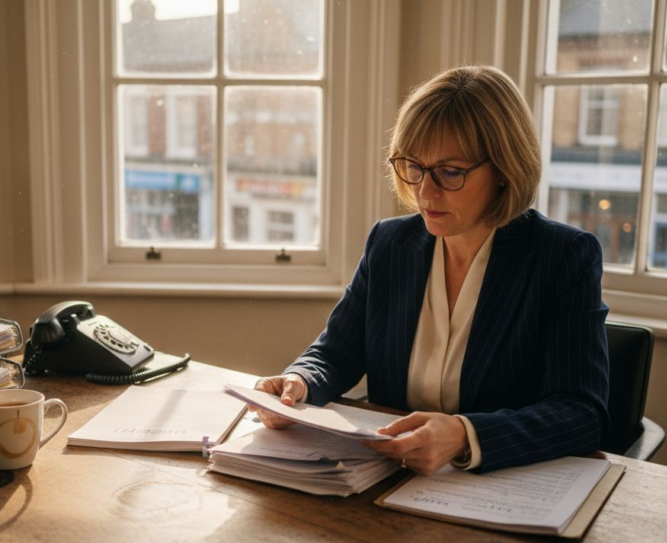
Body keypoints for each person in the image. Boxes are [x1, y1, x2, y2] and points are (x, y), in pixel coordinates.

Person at [252, 65, 610, 475]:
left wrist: (464, 435)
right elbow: (336, 352)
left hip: (494, 489)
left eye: (450, 171)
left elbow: (583, 412)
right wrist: (300, 382)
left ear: (505, 171)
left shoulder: (562, 256)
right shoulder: (390, 245)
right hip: (387, 477)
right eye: (414, 167)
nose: (425, 191)